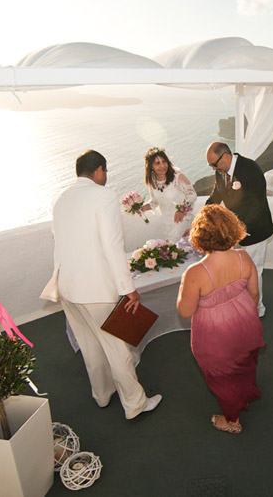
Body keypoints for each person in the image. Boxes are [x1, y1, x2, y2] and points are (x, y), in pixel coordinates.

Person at [48, 149, 162, 419]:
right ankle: (135, 404)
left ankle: (102, 395)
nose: (107, 176)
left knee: (89, 345)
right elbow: (113, 246)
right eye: (106, 171)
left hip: (67, 286)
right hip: (96, 289)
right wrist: (127, 289)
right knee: (117, 349)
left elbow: (58, 242)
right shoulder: (104, 196)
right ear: (99, 170)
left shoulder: (61, 199)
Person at [177, 205, 265, 434]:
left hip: (215, 335)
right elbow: (255, 294)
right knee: (245, 362)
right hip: (245, 322)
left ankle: (232, 420)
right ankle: (246, 392)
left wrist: (182, 290)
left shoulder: (195, 273)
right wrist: (242, 314)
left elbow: (185, 311)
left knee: (221, 379)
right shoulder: (243, 257)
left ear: (200, 237)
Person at [204, 141, 273, 317]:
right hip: (235, 231)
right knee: (237, 271)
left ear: (225, 156)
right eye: (211, 165)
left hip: (255, 231)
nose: (213, 168)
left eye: (215, 164)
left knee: (254, 271)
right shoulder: (221, 172)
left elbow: (257, 205)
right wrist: (201, 220)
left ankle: (257, 309)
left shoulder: (250, 169)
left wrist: (238, 228)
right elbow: (215, 196)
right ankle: (240, 301)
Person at [140, 147, 197, 242]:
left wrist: (180, 210)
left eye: (164, 161)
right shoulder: (152, 182)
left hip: (182, 220)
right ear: (151, 167)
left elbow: (192, 195)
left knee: (173, 246)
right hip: (167, 224)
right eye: (157, 163)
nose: (162, 165)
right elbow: (155, 202)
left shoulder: (178, 177)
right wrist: (142, 207)